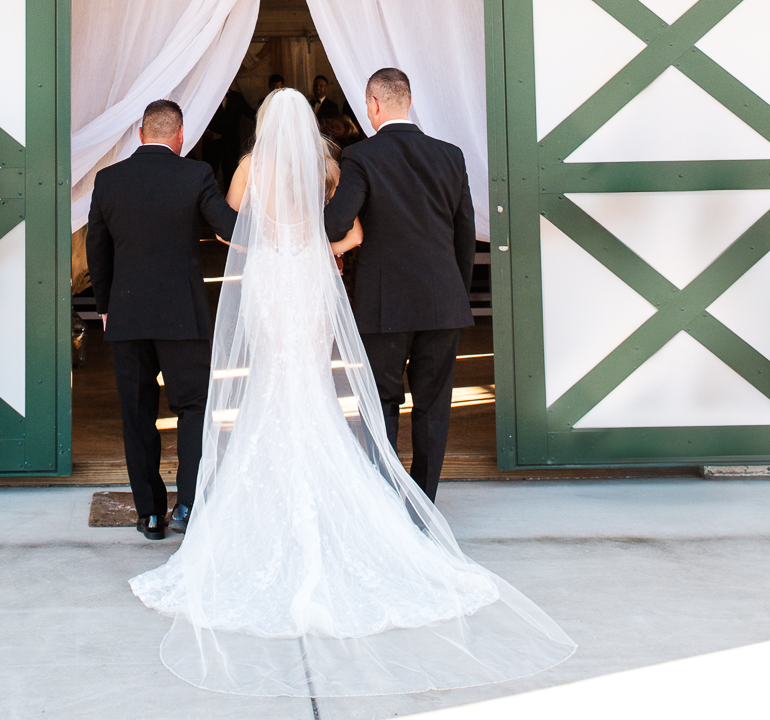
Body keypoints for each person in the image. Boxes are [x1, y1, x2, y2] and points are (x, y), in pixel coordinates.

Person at [130, 89, 573, 697]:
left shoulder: (249, 167)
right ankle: (388, 497)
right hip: (308, 281)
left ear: (264, 124)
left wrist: (272, 247)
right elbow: (354, 234)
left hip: (268, 283)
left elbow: (234, 231)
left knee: (268, 383)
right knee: (310, 381)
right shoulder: (328, 167)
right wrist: (315, 249)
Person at [86, 98, 237, 541]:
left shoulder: (109, 180)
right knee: (192, 408)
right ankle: (186, 506)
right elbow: (227, 226)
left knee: (137, 415)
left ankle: (149, 514)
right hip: (182, 316)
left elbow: (98, 247)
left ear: (140, 134)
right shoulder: (196, 175)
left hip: (127, 314)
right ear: (180, 135)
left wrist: (106, 304)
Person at [323, 66, 474, 501]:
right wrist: (454, 293)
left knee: (383, 402)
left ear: (372, 105)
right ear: (408, 101)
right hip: (443, 301)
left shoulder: (361, 158)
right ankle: (424, 502)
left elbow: (334, 226)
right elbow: (464, 235)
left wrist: (353, 228)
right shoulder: (451, 155)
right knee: (432, 407)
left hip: (385, 304)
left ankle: (387, 501)